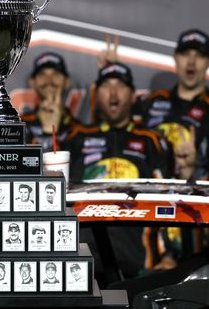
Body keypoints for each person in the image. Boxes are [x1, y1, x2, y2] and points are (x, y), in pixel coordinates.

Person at [65, 62, 172, 278]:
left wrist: (170, 253)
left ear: (133, 96)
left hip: (138, 262)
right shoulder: (76, 138)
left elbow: (170, 199)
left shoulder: (152, 141)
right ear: (96, 95)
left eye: (120, 86)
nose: (113, 93)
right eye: (106, 86)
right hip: (82, 261)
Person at [137, 29, 209, 180]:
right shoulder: (150, 101)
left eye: (199, 56)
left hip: (192, 192)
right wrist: (108, 72)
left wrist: (192, 170)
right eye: (185, 54)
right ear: (175, 58)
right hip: (145, 191)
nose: (191, 62)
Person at [23, 52, 81, 151]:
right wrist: (48, 131)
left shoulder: (79, 129)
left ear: (67, 82)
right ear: (32, 82)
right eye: (42, 74)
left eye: (56, 74)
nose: (49, 80)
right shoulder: (20, 126)